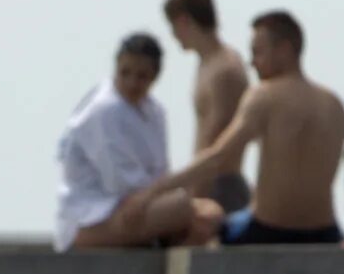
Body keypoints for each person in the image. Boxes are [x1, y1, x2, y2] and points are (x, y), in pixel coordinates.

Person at [172, 10, 344, 245]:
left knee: (196, 228)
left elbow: (218, 156)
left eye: (258, 52)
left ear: (284, 49)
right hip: (325, 231)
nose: (252, 62)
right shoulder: (334, 105)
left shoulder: (264, 95)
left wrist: (156, 190)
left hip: (269, 229)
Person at [54, 34, 225, 252]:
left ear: (155, 77)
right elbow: (122, 184)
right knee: (181, 207)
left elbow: (159, 173)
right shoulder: (104, 110)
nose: (132, 83)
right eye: (125, 73)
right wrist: (186, 177)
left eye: (142, 76)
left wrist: (157, 194)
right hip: (93, 216)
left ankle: (163, 261)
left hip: (140, 205)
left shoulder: (155, 112)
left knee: (211, 213)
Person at [163, 0, 252, 214]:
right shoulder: (207, 64)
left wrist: (195, 196)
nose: (174, 36)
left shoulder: (225, 69)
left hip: (221, 187)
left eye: (172, 28)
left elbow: (216, 142)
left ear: (183, 21)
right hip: (206, 184)